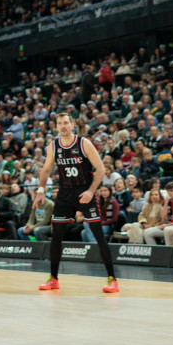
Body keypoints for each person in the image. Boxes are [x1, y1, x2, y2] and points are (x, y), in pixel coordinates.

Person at [36, 113, 118, 293]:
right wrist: (41, 191)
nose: (63, 126)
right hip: (65, 194)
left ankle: (112, 279)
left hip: (84, 192)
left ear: (72, 125)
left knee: (98, 233)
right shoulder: (53, 146)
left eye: (66, 123)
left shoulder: (84, 143)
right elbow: (46, 169)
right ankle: (54, 279)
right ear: (56, 126)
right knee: (56, 235)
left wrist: (90, 191)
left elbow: (101, 169)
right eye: (60, 123)